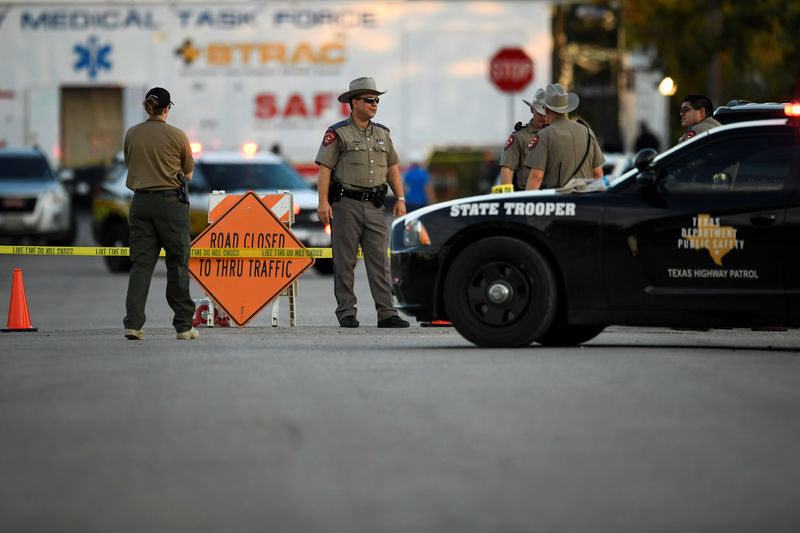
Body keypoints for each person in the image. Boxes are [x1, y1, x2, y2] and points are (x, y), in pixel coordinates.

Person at [315, 77, 410, 329]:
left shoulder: (382, 133)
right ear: (353, 103)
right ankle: (347, 312)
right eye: (369, 100)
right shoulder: (338, 133)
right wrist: (323, 202)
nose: (374, 104)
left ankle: (386, 312)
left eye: (376, 100)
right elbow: (325, 169)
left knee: (380, 262)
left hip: (375, 206)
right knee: (345, 261)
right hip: (346, 204)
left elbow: (392, 168)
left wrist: (400, 198)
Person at [122, 87, 198, 340]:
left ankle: (133, 323)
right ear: (167, 108)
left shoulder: (132, 134)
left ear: (148, 107)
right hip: (170, 205)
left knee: (141, 265)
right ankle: (184, 325)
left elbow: (130, 163)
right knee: (177, 263)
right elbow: (188, 174)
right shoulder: (177, 136)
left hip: (140, 203)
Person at [525, 83, 605, 190]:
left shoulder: (544, 135)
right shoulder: (587, 132)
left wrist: (527, 204)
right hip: (586, 202)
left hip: (557, 202)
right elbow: (598, 175)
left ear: (546, 110)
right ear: (567, 109)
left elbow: (536, 178)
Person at [499, 88, 550, 190]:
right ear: (532, 109)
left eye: (547, 113)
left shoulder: (557, 135)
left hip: (554, 195)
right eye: (540, 113)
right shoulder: (520, 137)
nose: (544, 118)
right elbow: (507, 169)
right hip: (527, 195)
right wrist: (507, 200)